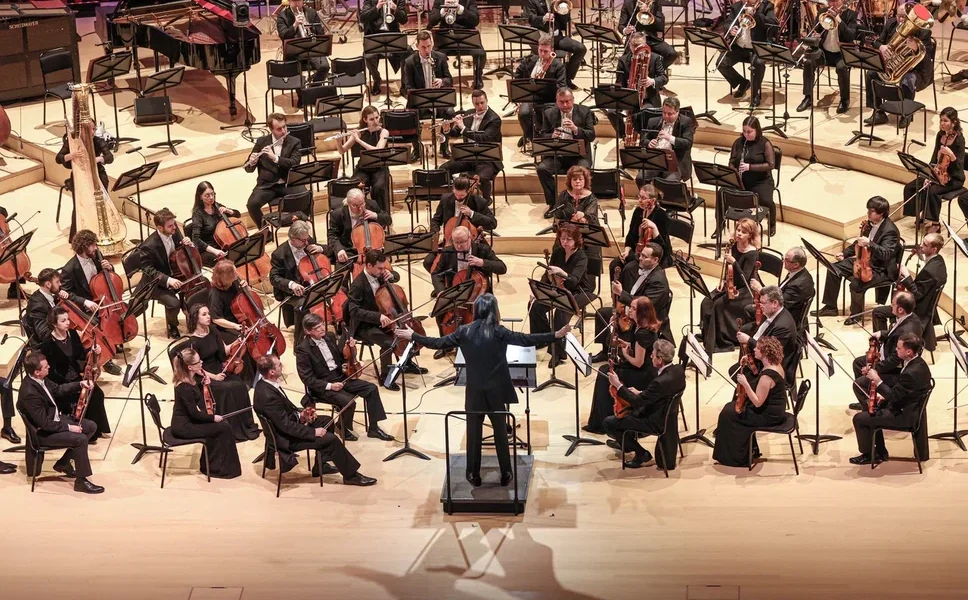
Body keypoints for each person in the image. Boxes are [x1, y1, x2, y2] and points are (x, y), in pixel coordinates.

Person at [397, 293, 571, 486]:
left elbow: (437, 343)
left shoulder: (463, 331)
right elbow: (526, 339)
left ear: (477, 310)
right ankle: (506, 472)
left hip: (474, 392)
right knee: (500, 433)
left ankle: (473, 473)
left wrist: (413, 335)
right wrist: (555, 335)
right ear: (494, 311)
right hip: (496, 391)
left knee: (473, 434)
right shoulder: (499, 331)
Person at [253, 355, 377, 486]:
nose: (282, 366)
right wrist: (313, 432)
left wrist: (302, 415)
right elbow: (286, 426)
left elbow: (283, 415)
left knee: (327, 421)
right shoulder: (268, 396)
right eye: (279, 365)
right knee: (331, 440)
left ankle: (321, 465)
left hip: (288, 428)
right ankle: (351, 476)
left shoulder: (265, 384)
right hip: (286, 438)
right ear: (272, 372)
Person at [296, 313, 395, 442]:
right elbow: (307, 378)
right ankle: (342, 427)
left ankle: (374, 428)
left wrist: (350, 349)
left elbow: (340, 357)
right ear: (308, 331)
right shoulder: (303, 349)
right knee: (349, 402)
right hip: (323, 385)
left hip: (341, 377)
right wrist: (330, 386)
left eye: (322, 325)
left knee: (371, 389)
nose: (322, 329)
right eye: (317, 328)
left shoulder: (329, 336)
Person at [17, 352, 103, 493]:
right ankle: (81, 481)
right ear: (37, 372)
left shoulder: (40, 379)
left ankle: (63, 463)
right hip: (43, 433)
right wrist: (69, 427)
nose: (49, 367)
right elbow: (44, 424)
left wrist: (80, 384)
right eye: (46, 367)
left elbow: (58, 389)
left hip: (54, 420)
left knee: (90, 426)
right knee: (80, 439)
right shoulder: (30, 393)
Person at [345, 249, 425, 390]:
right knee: (389, 343)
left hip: (388, 319)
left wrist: (391, 275)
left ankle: (407, 363)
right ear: (369, 265)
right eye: (380, 268)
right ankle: (386, 376)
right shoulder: (358, 285)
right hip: (366, 325)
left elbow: (396, 276)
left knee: (410, 332)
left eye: (384, 268)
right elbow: (354, 311)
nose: (383, 271)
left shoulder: (381, 274)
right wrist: (378, 316)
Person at [813, 196, 899, 324]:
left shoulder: (890, 231)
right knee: (833, 269)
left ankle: (856, 315)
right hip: (864, 262)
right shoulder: (869, 224)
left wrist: (870, 243)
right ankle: (830, 307)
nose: (868, 213)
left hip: (881, 269)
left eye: (871, 211)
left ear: (881, 214)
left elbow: (886, 254)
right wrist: (844, 254)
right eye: (868, 210)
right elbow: (858, 243)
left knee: (856, 284)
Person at [849, 332, 932, 465]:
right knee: (870, 407)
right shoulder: (917, 363)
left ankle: (870, 455)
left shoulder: (911, 373)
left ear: (909, 352)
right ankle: (879, 451)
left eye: (899, 348)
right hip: (908, 405)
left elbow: (893, 396)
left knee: (859, 419)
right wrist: (884, 399)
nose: (896, 350)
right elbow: (901, 392)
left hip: (905, 415)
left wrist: (877, 380)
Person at [586, 296, 663, 435]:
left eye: (634, 308)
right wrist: (625, 344)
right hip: (640, 369)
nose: (629, 310)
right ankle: (604, 418)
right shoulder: (639, 326)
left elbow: (638, 362)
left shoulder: (643, 333)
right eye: (630, 307)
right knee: (605, 371)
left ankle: (601, 423)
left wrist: (624, 353)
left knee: (605, 373)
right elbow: (637, 347)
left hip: (643, 374)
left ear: (642, 312)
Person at [604, 339, 685, 468]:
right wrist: (641, 392)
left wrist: (618, 385)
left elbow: (637, 403)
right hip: (666, 415)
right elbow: (663, 392)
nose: (651, 356)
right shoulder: (678, 370)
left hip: (654, 421)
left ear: (660, 360)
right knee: (624, 413)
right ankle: (625, 442)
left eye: (653, 354)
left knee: (609, 422)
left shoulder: (659, 382)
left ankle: (641, 453)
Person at [428, 225, 507, 357]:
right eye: (456, 242)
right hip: (456, 291)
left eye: (462, 242)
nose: (459, 246)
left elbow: (502, 267)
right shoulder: (448, 252)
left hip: (479, 295)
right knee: (440, 310)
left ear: (469, 238)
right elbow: (436, 273)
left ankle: (486, 343)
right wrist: (440, 291)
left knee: (488, 310)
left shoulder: (482, 250)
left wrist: (482, 262)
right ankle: (446, 345)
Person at [186, 303, 261, 442]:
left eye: (209, 313)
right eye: (204, 314)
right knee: (226, 389)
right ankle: (230, 429)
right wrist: (214, 376)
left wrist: (238, 342)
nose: (209, 317)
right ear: (196, 317)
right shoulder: (192, 341)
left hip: (219, 369)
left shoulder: (213, 330)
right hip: (205, 376)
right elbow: (196, 368)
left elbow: (224, 350)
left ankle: (245, 425)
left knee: (240, 385)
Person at [711, 336, 787, 467]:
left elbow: (757, 402)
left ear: (765, 353)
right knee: (729, 408)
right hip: (773, 408)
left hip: (768, 416)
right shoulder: (775, 364)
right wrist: (747, 363)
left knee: (728, 414)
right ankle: (749, 450)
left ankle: (737, 458)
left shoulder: (767, 376)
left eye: (757, 348)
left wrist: (745, 383)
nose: (754, 350)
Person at [58, 229, 124, 375]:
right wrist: (85, 302)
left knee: (117, 317)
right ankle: (106, 360)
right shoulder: (69, 269)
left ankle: (113, 341)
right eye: (93, 245)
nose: (96, 248)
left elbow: (107, 276)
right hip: (86, 307)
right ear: (83, 247)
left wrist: (109, 268)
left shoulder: (96, 257)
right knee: (97, 326)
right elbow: (67, 294)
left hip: (102, 301)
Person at [171, 348, 242, 479]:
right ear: (190, 367)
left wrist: (203, 385)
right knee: (223, 427)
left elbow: (195, 400)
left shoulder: (190, 379)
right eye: (198, 362)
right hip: (183, 427)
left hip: (189, 420)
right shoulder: (184, 387)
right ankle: (216, 468)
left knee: (223, 425)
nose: (201, 363)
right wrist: (213, 418)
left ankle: (217, 465)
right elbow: (194, 414)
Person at [593, 242, 672, 361]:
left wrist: (621, 293)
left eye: (645, 257)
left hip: (646, 319)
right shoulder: (636, 269)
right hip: (631, 310)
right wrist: (618, 312)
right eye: (641, 254)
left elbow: (642, 305)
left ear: (655, 260)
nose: (640, 258)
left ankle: (625, 355)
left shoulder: (659, 282)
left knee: (623, 325)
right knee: (602, 313)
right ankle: (606, 350)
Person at [529, 224, 594, 368]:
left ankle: (557, 353)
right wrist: (537, 290)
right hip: (560, 289)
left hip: (580, 291)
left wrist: (562, 272)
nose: (564, 242)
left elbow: (574, 281)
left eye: (568, 239)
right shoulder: (558, 252)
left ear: (576, 240)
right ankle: (543, 338)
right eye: (562, 238)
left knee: (560, 312)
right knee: (536, 306)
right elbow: (548, 274)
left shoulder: (581, 256)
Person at [42, 306, 110, 441]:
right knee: (80, 398)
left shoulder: (72, 334)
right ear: (54, 324)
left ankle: (98, 428)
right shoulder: (48, 343)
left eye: (68, 319)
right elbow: (51, 372)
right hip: (62, 382)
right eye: (63, 321)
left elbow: (81, 355)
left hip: (78, 376)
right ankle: (87, 431)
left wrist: (93, 351)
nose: (67, 323)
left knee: (97, 394)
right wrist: (72, 383)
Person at [865, 2, 935, 127]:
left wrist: (916, 49)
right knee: (871, 73)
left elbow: (927, 58)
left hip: (917, 71)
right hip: (894, 66)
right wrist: (881, 47)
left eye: (904, 17)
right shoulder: (890, 24)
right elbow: (877, 42)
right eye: (899, 16)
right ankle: (878, 112)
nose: (901, 19)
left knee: (908, 79)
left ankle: (906, 114)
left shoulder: (923, 32)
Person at [850, 291, 922, 411]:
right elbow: (895, 332)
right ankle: (868, 399)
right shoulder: (911, 317)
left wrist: (873, 369)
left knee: (858, 384)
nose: (890, 306)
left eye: (893, 305)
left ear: (900, 309)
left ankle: (869, 410)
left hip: (894, 369)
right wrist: (882, 333)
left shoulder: (907, 330)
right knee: (858, 363)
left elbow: (895, 360)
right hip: (887, 355)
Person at [697, 218, 760, 354]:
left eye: (743, 232)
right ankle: (707, 334)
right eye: (738, 230)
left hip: (746, 289)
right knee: (706, 301)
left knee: (718, 304)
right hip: (731, 283)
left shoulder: (752, 253)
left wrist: (734, 262)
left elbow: (744, 278)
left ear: (750, 235)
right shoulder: (733, 246)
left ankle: (720, 339)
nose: (739, 233)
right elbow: (728, 270)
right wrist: (723, 281)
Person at [872, 233, 946, 344]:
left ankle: (884, 343)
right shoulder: (939, 261)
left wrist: (907, 276)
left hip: (917, 310)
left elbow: (917, 294)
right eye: (922, 242)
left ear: (934, 249)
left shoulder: (929, 272)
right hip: (927, 307)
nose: (921, 245)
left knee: (878, 312)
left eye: (925, 245)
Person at [536, 88, 597, 217]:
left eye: (567, 102)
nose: (565, 105)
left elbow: (591, 135)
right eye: (561, 102)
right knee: (542, 169)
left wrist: (576, 129)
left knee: (584, 169)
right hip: (557, 155)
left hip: (579, 155)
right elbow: (542, 135)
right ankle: (554, 204)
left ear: (573, 100)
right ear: (556, 101)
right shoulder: (549, 113)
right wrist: (551, 136)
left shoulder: (584, 111)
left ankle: (583, 206)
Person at [136, 208, 193, 338]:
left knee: (196, 289)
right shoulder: (148, 246)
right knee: (174, 304)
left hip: (176, 274)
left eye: (174, 224)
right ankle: (172, 325)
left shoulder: (174, 232)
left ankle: (192, 316)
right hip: (156, 282)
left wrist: (187, 244)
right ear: (160, 227)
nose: (175, 228)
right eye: (170, 226)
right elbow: (148, 269)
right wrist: (168, 280)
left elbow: (179, 251)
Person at [905, 107, 965, 232]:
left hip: (954, 178)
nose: (942, 123)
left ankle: (935, 224)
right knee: (912, 186)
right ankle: (919, 213)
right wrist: (929, 175)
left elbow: (959, 166)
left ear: (954, 122)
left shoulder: (959, 139)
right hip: (938, 174)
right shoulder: (940, 135)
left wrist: (951, 155)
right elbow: (934, 158)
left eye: (945, 121)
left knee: (932, 191)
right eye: (941, 120)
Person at [422, 176, 497, 275]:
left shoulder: (479, 202)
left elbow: (493, 223)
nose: (458, 197)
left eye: (461, 195)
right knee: (428, 262)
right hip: (450, 242)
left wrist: (472, 213)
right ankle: (448, 281)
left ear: (468, 191)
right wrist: (435, 233)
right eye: (456, 194)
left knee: (488, 264)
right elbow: (436, 220)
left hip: (472, 243)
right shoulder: (445, 199)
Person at [440, 89, 504, 203]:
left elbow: (484, 138)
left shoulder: (494, 119)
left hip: (488, 160)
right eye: (476, 104)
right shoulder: (469, 114)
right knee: (444, 169)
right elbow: (456, 133)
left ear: (487, 101)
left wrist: (463, 128)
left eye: (482, 103)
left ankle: (486, 200)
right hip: (468, 157)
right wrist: (447, 129)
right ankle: (456, 195)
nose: (479, 107)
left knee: (482, 177)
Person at [269, 220, 327, 344]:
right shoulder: (279, 254)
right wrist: (292, 284)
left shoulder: (307, 241)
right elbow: (274, 278)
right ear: (293, 238)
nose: (307, 243)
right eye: (303, 240)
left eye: (307, 239)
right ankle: (299, 344)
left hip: (313, 284)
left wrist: (321, 248)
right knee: (303, 306)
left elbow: (329, 251)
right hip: (293, 293)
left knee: (341, 291)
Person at [243, 113, 305, 230]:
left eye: (284, 127)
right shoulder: (261, 142)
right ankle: (266, 232)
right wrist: (252, 162)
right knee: (252, 205)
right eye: (279, 129)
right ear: (271, 129)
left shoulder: (295, 142)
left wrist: (275, 158)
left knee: (306, 197)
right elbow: (248, 169)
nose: (283, 131)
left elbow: (294, 163)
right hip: (268, 185)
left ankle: (300, 229)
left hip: (288, 183)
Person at [401, 30, 455, 161]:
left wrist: (441, 81)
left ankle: (444, 147)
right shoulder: (409, 62)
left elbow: (449, 80)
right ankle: (417, 149)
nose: (427, 50)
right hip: (420, 101)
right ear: (417, 46)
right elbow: (407, 87)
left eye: (429, 46)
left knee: (450, 112)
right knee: (411, 115)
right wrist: (419, 96)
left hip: (439, 99)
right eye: (423, 47)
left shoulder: (440, 58)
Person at [797, 0, 856, 114]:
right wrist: (816, 36)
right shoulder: (822, 13)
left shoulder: (851, 15)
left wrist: (838, 19)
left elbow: (850, 36)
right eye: (830, 1)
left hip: (841, 54)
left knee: (842, 68)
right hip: (825, 52)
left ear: (841, 1)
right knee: (809, 63)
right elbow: (817, 30)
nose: (831, 5)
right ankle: (808, 97)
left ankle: (844, 100)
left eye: (835, 1)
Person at [734, 285, 800, 385]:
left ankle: (752, 394)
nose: (760, 305)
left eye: (763, 303)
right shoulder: (771, 313)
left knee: (735, 373)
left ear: (775, 303)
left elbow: (769, 352)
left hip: (772, 370)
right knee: (735, 371)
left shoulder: (783, 327)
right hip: (760, 357)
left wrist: (749, 340)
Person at [717, 0, 778, 107]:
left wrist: (756, 15)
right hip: (739, 47)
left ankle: (755, 94)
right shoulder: (737, 6)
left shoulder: (766, 6)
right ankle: (743, 83)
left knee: (758, 64)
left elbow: (773, 24)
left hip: (757, 48)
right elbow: (727, 23)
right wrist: (731, 29)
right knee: (721, 63)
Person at [55, 128, 113, 239]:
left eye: (94, 129)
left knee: (102, 202)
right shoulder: (71, 142)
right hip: (79, 174)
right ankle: (79, 237)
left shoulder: (98, 141)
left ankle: (103, 232)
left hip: (97, 173)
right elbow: (58, 158)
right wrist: (72, 155)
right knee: (79, 205)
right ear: (81, 130)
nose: (93, 132)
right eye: (90, 129)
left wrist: (97, 159)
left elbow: (110, 157)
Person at [514, 33, 568, 148]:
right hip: (531, 97)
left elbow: (562, 86)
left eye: (546, 51)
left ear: (552, 50)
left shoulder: (559, 66)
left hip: (549, 99)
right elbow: (517, 76)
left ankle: (546, 138)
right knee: (523, 114)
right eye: (540, 51)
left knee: (548, 113)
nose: (542, 54)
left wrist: (546, 86)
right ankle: (531, 136)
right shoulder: (529, 61)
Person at [727, 116, 777, 235]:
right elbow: (732, 161)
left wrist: (749, 167)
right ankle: (720, 224)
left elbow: (771, 165)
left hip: (761, 181)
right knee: (722, 193)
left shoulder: (765, 143)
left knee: (766, 200)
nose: (746, 134)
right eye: (744, 131)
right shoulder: (739, 142)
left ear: (757, 130)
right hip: (742, 180)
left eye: (749, 132)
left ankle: (772, 223)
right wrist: (735, 174)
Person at [522, 0, 587, 89]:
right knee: (544, 54)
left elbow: (564, 22)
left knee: (581, 49)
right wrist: (543, 18)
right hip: (540, 38)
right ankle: (542, 81)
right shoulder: (533, 1)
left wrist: (563, 9)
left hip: (556, 37)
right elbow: (531, 19)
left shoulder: (557, 2)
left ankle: (566, 78)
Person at [26, 267, 99, 345]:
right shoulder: (38, 306)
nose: (60, 284)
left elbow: (68, 297)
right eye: (57, 282)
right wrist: (70, 334)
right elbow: (44, 334)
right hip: (48, 345)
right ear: (48, 284)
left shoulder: (49, 294)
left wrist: (84, 301)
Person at [610, 184, 672, 275]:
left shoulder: (662, 216)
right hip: (638, 251)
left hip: (653, 255)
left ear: (653, 200)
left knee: (628, 269)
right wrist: (627, 251)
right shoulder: (638, 211)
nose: (639, 200)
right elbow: (631, 235)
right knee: (614, 265)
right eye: (639, 196)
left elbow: (663, 247)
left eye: (643, 198)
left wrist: (654, 227)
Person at [276, 0, 330, 101]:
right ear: (289, 2)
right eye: (294, 1)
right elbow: (283, 35)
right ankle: (302, 97)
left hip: (312, 49)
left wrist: (310, 28)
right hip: (294, 53)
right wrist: (295, 25)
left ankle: (312, 92)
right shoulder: (282, 16)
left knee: (324, 66)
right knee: (294, 70)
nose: (297, 3)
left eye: (299, 1)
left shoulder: (311, 12)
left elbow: (320, 33)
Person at [747, 246, 815, 326]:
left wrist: (761, 290)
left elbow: (779, 305)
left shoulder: (797, 285)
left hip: (785, 318)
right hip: (787, 306)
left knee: (748, 309)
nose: (783, 261)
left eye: (786, 260)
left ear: (796, 265)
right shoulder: (799, 272)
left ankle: (757, 330)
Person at [341, 106, 391, 212]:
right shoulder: (360, 132)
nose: (376, 121)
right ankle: (358, 215)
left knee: (379, 188)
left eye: (377, 117)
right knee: (353, 186)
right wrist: (338, 140)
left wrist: (359, 141)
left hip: (379, 167)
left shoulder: (384, 132)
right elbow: (342, 150)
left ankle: (382, 215)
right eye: (372, 119)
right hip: (363, 168)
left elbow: (377, 150)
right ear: (365, 120)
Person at [327, 187, 392, 266]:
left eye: (362, 204)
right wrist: (340, 250)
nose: (360, 208)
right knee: (342, 268)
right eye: (355, 206)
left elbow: (388, 220)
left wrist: (375, 215)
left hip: (374, 249)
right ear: (348, 203)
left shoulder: (372, 205)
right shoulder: (338, 214)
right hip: (349, 250)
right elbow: (332, 235)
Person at [427, 0, 484, 89]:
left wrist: (460, 9)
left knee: (480, 53)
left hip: (466, 38)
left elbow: (475, 20)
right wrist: (443, 11)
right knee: (435, 54)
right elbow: (432, 20)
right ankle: (444, 79)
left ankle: (478, 76)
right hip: (446, 39)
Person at [637, 95, 694, 185]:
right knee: (640, 178)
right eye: (664, 112)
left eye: (670, 114)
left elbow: (688, 143)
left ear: (677, 112)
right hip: (655, 160)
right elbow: (643, 139)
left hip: (675, 163)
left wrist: (669, 138)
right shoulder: (653, 121)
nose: (666, 116)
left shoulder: (686, 122)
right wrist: (649, 143)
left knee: (668, 183)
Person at [360, 0, 409, 95]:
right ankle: (377, 80)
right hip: (374, 36)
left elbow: (404, 20)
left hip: (392, 36)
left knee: (408, 51)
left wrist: (395, 8)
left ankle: (404, 85)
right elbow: (363, 17)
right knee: (368, 56)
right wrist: (377, 7)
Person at [189, 181, 237, 267]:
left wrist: (229, 211)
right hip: (208, 249)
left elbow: (237, 215)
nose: (211, 197)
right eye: (207, 195)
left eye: (212, 194)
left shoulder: (217, 206)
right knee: (225, 264)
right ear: (200, 197)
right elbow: (196, 239)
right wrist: (215, 251)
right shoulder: (197, 214)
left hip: (222, 244)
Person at [619, 0, 678, 67]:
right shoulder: (628, 3)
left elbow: (660, 25)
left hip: (651, 39)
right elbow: (621, 25)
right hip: (635, 39)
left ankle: (655, 70)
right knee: (627, 61)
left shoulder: (655, 2)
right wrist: (626, 30)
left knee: (672, 54)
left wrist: (649, 13)